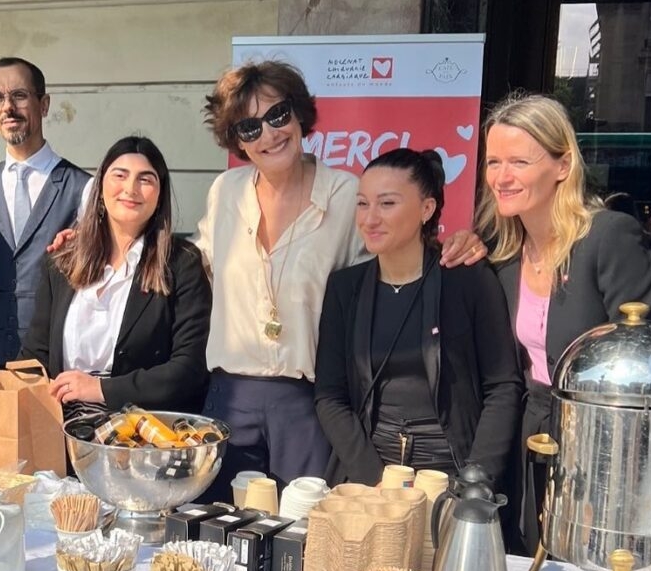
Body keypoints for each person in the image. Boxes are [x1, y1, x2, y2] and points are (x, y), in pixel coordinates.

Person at [194, 60, 485, 498]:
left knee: (307, 541)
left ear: (298, 114)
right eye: (249, 128)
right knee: (227, 536)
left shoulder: (347, 194)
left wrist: (457, 244)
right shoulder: (225, 190)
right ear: (235, 140)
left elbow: (395, 266)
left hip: (309, 401)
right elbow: (195, 265)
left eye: (277, 115)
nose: (269, 134)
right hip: (229, 396)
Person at [479, 92, 651, 553]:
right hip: (527, 435)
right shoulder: (499, 253)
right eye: (494, 161)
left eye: (519, 160)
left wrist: (617, 476)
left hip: (604, 448)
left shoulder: (607, 237)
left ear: (562, 165)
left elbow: (643, 364)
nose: (502, 176)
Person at [314, 149, 523, 488]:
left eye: (387, 204)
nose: (370, 219)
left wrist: (476, 481)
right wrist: (375, 479)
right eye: (363, 204)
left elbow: (502, 386)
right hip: (371, 474)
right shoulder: (344, 287)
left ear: (426, 209)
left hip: (450, 472)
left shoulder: (468, 280)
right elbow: (330, 397)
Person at [21, 136, 210, 415]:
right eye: (119, 175)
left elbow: (188, 368)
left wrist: (100, 389)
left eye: (145, 179)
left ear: (160, 196)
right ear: (99, 188)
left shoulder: (182, 264)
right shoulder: (62, 261)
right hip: (58, 433)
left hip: (142, 438)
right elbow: (35, 355)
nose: (130, 188)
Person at [0, 57, 90, 368]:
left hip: (54, 362)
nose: (8, 107)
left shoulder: (84, 189)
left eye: (19, 95)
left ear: (44, 104)